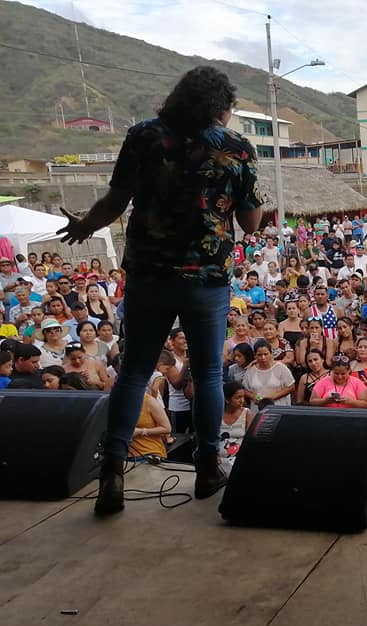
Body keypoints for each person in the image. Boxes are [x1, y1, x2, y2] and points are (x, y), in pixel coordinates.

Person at [57, 66, 264, 514]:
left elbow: (115, 201)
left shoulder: (143, 136)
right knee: (208, 374)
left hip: (148, 274)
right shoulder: (236, 147)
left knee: (133, 373)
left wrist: (85, 226)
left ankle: (112, 472)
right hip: (206, 278)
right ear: (220, 107)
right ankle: (207, 468)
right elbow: (250, 223)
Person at [243, 339, 295, 412]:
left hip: (279, 409)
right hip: (258, 410)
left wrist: (271, 398)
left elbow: (291, 387)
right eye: (259, 355)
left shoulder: (281, 367)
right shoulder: (250, 370)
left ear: (271, 353)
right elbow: (245, 390)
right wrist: (253, 396)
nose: (263, 357)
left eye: (266, 354)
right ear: (255, 355)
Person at [218, 380, 253, 477]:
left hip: (239, 459)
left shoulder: (247, 413)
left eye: (243, 397)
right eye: (238, 397)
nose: (242, 401)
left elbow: (249, 440)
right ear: (227, 399)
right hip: (219, 460)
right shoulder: (217, 414)